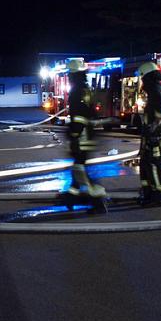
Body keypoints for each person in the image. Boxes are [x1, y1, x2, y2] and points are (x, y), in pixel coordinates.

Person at [65, 58, 106, 211]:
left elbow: (79, 115)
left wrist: (74, 134)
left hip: (81, 135)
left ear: (73, 75)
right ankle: (71, 194)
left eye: (70, 74)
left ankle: (97, 198)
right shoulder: (85, 88)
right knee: (79, 166)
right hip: (88, 134)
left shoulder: (76, 91)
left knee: (80, 168)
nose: (68, 77)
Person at [137, 61, 161, 207]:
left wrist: (152, 130)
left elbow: (160, 113)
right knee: (146, 165)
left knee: (154, 165)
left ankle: (157, 197)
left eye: (142, 78)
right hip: (156, 135)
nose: (142, 82)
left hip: (154, 136)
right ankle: (148, 194)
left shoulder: (155, 89)